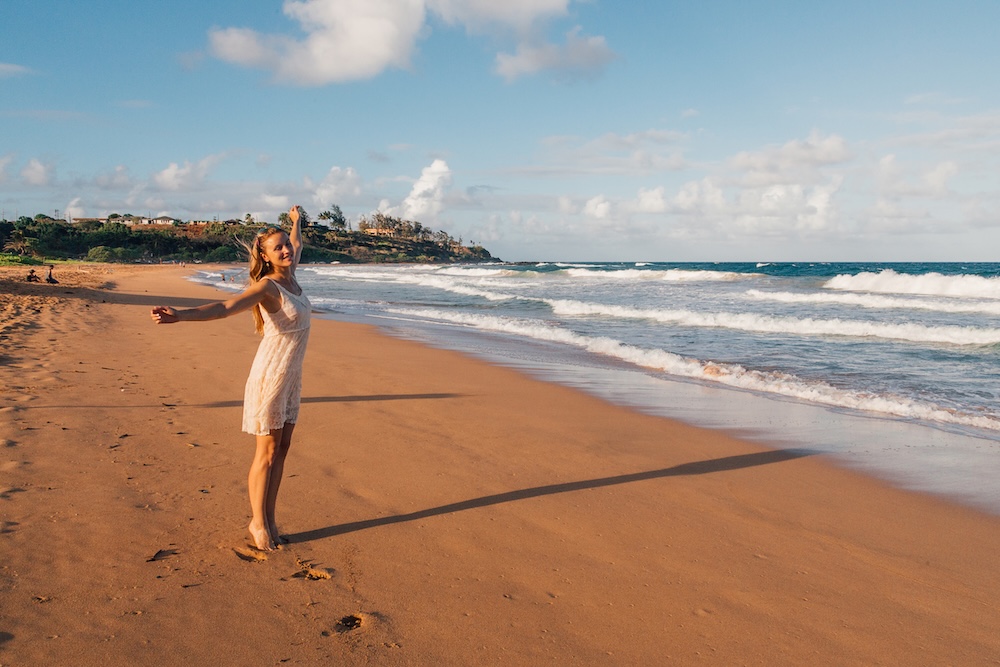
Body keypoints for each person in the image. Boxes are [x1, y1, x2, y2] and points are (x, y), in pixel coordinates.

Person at [150, 206, 310, 551]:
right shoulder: (267, 287)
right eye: (278, 248)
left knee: (282, 450)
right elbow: (225, 307)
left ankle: (269, 519)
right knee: (266, 452)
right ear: (265, 257)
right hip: (271, 374)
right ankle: (257, 523)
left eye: (286, 245)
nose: (286, 249)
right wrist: (181, 315)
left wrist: (296, 222)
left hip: (291, 378)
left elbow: (298, 242)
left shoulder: (292, 275)